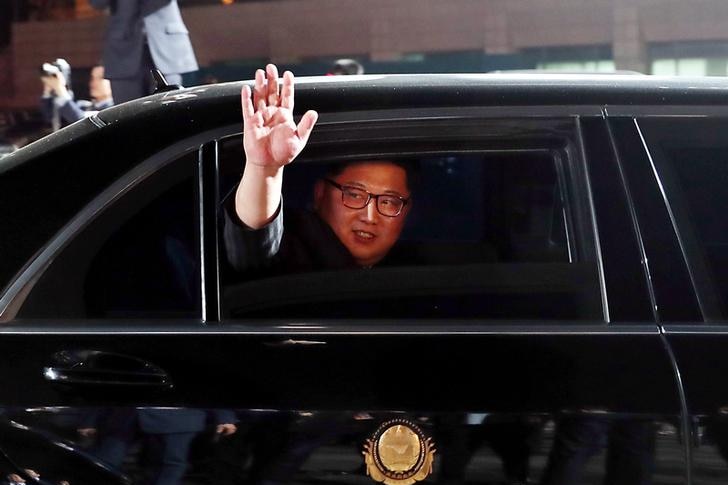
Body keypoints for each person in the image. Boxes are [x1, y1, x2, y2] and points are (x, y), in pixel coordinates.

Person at [224, 64, 411, 274]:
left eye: (388, 202)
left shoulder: (420, 271)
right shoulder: (296, 252)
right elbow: (252, 252)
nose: (369, 217)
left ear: (408, 210)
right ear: (320, 193)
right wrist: (264, 169)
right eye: (355, 195)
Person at [90, 0, 198, 104]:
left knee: (171, 113)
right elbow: (97, 3)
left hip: (167, 45)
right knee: (127, 116)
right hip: (122, 49)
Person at [40, 63, 114, 130]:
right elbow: (50, 117)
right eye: (92, 78)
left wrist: (60, 89)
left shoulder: (113, 109)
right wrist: (49, 89)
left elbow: (82, 120)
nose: (94, 82)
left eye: (100, 78)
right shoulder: (84, 106)